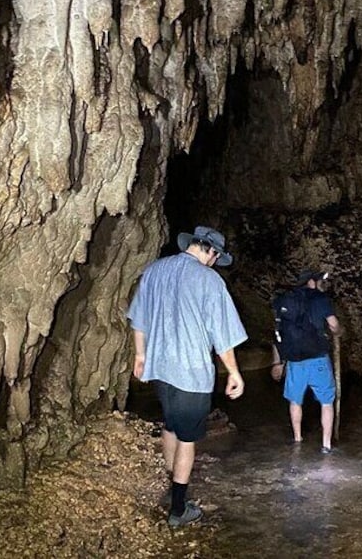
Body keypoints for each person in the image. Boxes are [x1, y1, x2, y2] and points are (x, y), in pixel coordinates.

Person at [127, 226, 247, 527]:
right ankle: (179, 508)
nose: (214, 263)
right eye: (216, 257)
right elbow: (223, 336)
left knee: (170, 425)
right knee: (187, 438)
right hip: (190, 373)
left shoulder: (154, 270)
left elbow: (138, 319)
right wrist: (233, 372)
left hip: (160, 369)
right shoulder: (209, 280)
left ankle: (171, 490)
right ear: (211, 251)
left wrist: (140, 356)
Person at [271, 269, 341, 453]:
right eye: (319, 281)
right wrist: (337, 331)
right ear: (311, 281)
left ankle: (297, 439)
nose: (321, 284)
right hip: (317, 357)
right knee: (326, 401)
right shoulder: (319, 298)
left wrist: (278, 363)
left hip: (294, 361)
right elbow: (333, 324)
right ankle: (326, 445)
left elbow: (277, 334)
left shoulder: (285, 301)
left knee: (295, 401)